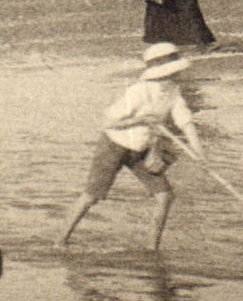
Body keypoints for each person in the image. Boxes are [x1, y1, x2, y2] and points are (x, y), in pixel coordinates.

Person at [57, 44, 206, 251]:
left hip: (141, 150)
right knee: (92, 196)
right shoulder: (139, 91)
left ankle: (152, 248)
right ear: (164, 72)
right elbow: (108, 122)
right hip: (113, 147)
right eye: (175, 71)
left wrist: (199, 152)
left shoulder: (172, 91)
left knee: (164, 196)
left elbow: (184, 121)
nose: (179, 75)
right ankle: (60, 241)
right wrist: (140, 120)